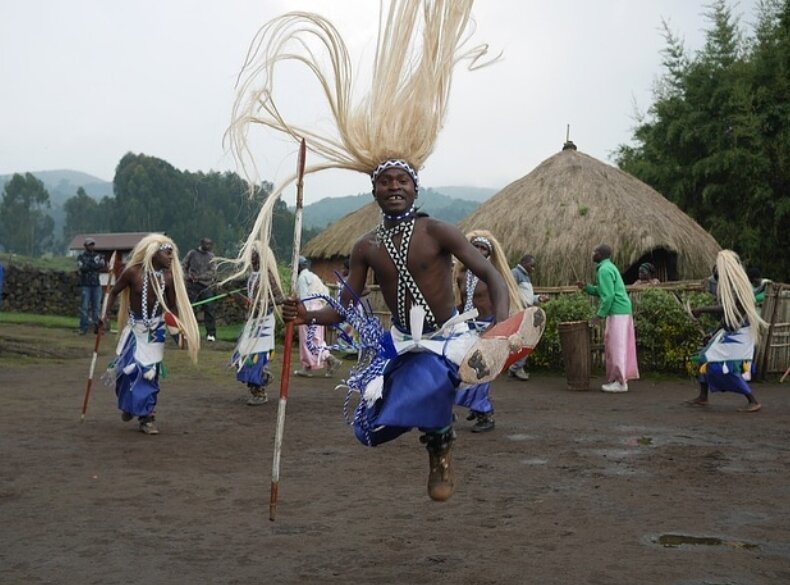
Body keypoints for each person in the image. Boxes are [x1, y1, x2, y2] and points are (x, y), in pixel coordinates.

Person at [228, 1, 517, 501]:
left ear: (415, 186)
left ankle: (439, 448)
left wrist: (501, 331)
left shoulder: (440, 231)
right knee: (372, 422)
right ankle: (437, 433)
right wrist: (306, 314)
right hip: (400, 341)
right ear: (374, 191)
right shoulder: (366, 247)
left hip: (446, 339)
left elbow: (491, 276)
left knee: (427, 381)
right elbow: (347, 309)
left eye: (402, 180)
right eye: (385, 182)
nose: (394, 188)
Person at [100, 234, 200, 434]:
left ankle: (147, 416)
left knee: (148, 374)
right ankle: (129, 406)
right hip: (134, 330)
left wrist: (179, 329)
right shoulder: (132, 273)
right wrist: (104, 316)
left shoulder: (168, 278)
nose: (172, 257)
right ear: (154, 253)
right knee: (127, 372)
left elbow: (171, 307)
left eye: (173, 253)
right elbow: (113, 292)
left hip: (155, 332)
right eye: (167, 252)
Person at [454, 230, 524, 432]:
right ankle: (476, 409)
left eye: (484, 248)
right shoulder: (461, 275)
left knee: (482, 371)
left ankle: (485, 414)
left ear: (489, 253)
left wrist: (498, 328)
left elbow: (502, 300)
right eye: (475, 246)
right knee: (463, 368)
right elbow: (463, 303)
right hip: (467, 327)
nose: (479, 250)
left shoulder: (493, 275)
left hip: (488, 326)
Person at [688, 251, 766, 412]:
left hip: (740, 332)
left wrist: (702, 309)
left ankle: (753, 400)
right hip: (731, 330)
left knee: (723, 365)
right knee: (704, 358)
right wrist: (714, 333)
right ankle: (703, 397)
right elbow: (728, 317)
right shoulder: (731, 285)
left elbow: (728, 309)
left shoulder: (738, 286)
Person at [577, 244, 639, 392]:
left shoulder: (604, 270)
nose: (592, 254)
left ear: (600, 254)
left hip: (617, 311)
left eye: (594, 252)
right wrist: (587, 287)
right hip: (621, 310)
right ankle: (620, 379)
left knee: (616, 346)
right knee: (619, 345)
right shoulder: (609, 267)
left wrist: (599, 315)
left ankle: (620, 382)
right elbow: (604, 291)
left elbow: (609, 296)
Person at [231, 241, 285, 406]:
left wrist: (262, 303)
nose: (250, 255)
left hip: (263, 323)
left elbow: (280, 298)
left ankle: (259, 390)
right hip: (253, 321)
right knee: (241, 356)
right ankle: (262, 378)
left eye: (253, 253)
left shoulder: (267, 275)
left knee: (254, 359)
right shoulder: (252, 275)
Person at [294, 256, 342, 377]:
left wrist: (306, 314)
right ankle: (310, 365)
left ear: (299, 267)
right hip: (319, 308)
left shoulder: (302, 278)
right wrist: (321, 307)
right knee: (317, 338)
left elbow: (304, 297)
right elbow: (326, 292)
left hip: (308, 309)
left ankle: (325, 360)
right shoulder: (314, 277)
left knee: (308, 339)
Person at [508, 254, 549, 380]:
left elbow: (527, 298)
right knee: (526, 340)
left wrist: (538, 298)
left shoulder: (525, 276)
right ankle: (516, 367)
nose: (533, 268)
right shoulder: (515, 273)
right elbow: (509, 289)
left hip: (524, 311)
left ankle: (516, 367)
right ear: (524, 262)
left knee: (523, 340)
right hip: (518, 312)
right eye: (532, 265)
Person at [182, 237, 217, 341]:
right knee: (190, 309)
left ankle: (211, 334)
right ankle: (189, 332)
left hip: (206, 286)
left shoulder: (211, 256)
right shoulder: (192, 253)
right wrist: (188, 276)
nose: (208, 246)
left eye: (210, 244)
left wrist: (200, 277)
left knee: (209, 309)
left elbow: (213, 272)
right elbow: (184, 265)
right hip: (192, 285)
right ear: (201, 243)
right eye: (206, 244)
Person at [76, 238, 106, 335]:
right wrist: (93, 265)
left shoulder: (98, 255)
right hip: (85, 285)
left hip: (96, 285)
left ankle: (97, 328)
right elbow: (82, 268)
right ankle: (83, 328)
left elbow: (101, 265)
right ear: (85, 246)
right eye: (89, 245)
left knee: (96, 307)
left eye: (93, 244)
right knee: (84, 307)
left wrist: (89, 265)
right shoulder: (81, 257)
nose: (91, 246)